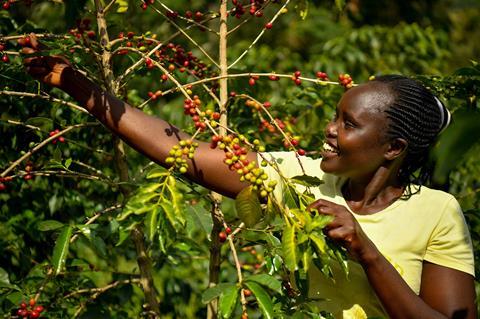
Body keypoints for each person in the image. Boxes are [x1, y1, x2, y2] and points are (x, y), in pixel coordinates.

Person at [23, 36, 476, 318]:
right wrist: (77, 85)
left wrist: (367, 253)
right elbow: (182, 151)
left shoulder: (436, 212)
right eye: (335, 116)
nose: (330, 130)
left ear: (394, 149)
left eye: (349, 124)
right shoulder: (297, 176)